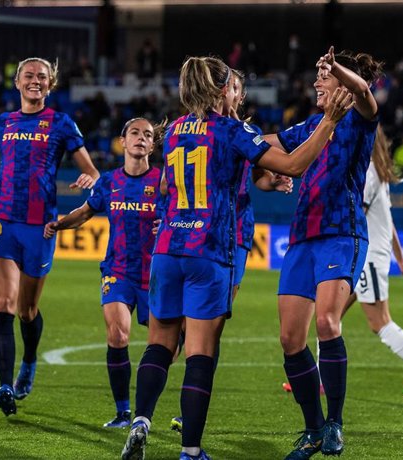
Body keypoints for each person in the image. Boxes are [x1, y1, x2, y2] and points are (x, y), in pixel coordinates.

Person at [120, 56, 353, 460]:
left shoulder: (173, 130)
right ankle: (190, 450)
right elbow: (295, 164)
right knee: (200, 354)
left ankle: (140, 420)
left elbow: (168, 185)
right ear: (222, 89)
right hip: (209, 251)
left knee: (158, 344)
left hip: (167, 249)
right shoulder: (231, 130)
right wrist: (329, 121)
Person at [0, 57, 100, 416]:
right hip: (0, 218)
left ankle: (29, 361)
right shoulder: (3, 123)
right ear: (17, 82)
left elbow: (90, 169)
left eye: (42, 77)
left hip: (40, 225)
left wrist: (90, 180)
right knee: (4, 304)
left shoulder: (62, 123)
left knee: (27, 311)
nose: (35, 81)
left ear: (51, 84)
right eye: (28, 76)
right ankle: (5, 386)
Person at [264, 46, 382, 458]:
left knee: (328, 323)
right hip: (301, 237)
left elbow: (365, 91)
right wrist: (227, 132)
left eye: (324, 75)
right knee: (289, 338)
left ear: (342, 81)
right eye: (319, 73)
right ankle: (312, 428)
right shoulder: (309, 127)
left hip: (341, 233)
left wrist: (339, 68)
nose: (317, 80)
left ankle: (334, 424)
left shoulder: (360, 121)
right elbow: (263, 146)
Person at [169, 69, 294, 434]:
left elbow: (259, 177)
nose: (236, 91)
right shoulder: (207, 130)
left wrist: (273, 180)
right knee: (187, 325)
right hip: (200, 232)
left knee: (214, 323)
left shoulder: (246, 133)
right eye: (233, 85)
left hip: (235, 235)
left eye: (238, 86)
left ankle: (187, 411)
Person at [43, 117, 162, 429]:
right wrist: (59, 223)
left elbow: (181, 215)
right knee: (118, 333)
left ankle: (146, 409)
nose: (141, 138)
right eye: (135, 133)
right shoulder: (109, 182)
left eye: (147, 135)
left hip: (156, 276)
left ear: (152, 145)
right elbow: (84, 212)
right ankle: (124, 412)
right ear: (122, 141)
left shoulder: (163, 182)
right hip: (118, 271)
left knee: (164, 347)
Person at [346, 125, 403, 400]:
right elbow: (387, 221)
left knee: (380, 322)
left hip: (367, 257)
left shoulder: (367, 173)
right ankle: (317, 376)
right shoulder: (375, 170)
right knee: (329, 317)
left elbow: (355, 215)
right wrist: (400, 257)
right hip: (365, 254)